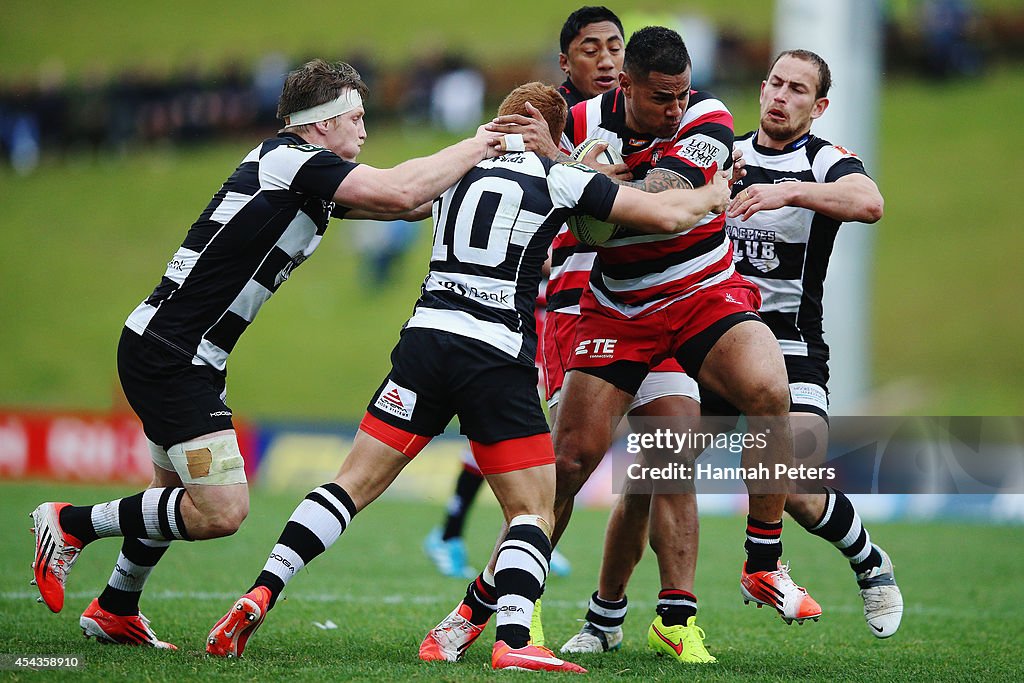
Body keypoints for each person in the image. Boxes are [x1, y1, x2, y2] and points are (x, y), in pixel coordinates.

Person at [204, 81, 731, 673]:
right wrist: (713, 191)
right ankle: (513, 640)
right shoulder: (558, 175)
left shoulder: (453, 169)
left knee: (347, 487)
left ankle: (261, 591)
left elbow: (396, 198)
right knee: (533, 510)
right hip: (494, 354)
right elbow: (663, 211)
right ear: (553, 135)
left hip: (424, 345)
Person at [28, 58, 513, 649]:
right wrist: (485, 140)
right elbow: (402, 188)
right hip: (171, 352)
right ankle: (69, 523)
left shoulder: (305, 172)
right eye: (355, 118)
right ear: (321, 122)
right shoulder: (291, 161)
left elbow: (408, 204)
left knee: (167, 498)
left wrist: (502, 177)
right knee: (221, 510)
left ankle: (115, 606)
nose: (364, 131)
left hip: (182, 349)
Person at [446, 26, 823, 664]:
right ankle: (500, 605)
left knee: (761, 391)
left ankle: (757, 562)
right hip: (615, 308)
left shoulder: (708, 116)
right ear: (626, 88)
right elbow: (523, 193)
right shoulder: (581, 119)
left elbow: (654, 201)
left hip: (702, 290)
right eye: (660, 99)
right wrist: (557, 172)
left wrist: (569, 171)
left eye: (680, 95)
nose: (675, 109)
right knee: (569, 464)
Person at [556, 49, 904, 656]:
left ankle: (864, 560)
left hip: (790, 345)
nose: (779, 96)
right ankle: (604, 616)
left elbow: (868, 203)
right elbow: (664, 200)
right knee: (651, 477)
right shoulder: (722, 148)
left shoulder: (825, 160)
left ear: (818, 107)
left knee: (793, 483)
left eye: (797, 90)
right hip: (701, 329)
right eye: (774, 82)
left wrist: (789, 194)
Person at [421, 3, 629, 583]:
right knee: (525, 428)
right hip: (544, 303)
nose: (607, 59)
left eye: (616, 46)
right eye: (592, 48)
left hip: (618, 299)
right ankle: (509, 541)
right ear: (566, 61)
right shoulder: (544, 124)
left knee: (649, 453)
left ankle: (513, 532)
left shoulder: (635, 113)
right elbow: (595, 193)